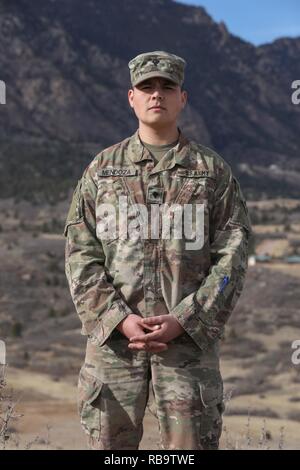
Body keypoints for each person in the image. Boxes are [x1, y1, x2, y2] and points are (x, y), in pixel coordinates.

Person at [64, 50, 252, 450]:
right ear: (131, 97)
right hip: (115, 345)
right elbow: (80, 251)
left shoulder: (211, 170)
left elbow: (232, 255)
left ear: (182, 98)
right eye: (147, 87)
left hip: (186, 347)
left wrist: (186, 318)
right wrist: (118, 318)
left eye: (167, 86)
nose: (157, 94)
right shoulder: (103, 170)